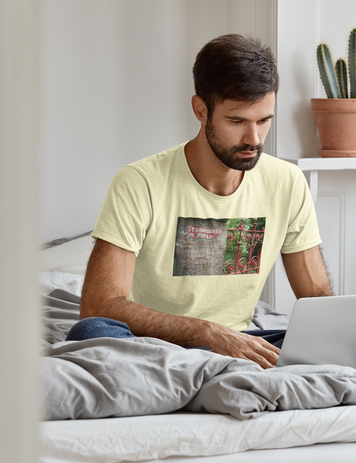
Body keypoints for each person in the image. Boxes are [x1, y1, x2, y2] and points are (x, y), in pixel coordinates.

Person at [68, 34, 333, 369]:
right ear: (200, 109)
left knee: (311, 344)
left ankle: (203, 373)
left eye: (264, 120)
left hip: (240, 343)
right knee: (90, 331)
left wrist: (348, 336)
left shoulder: (287, 182)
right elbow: (99, 304)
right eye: (237, 121)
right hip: (153, 344)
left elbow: (318, 298)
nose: (254, 139)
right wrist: (206, 332)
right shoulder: (140, 182)